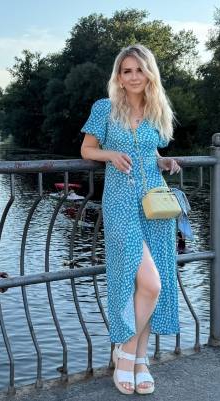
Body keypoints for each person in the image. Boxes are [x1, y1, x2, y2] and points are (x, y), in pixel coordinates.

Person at [80, 44, 182, 395]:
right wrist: (110, 154)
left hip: (154, 203)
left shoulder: (156, 109)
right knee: (150, 283)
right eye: (127, 71)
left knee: (148, 286)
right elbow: (86, 150)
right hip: (120, 202)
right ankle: (124, 354)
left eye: (139, 70)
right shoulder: (105, 108)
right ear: (119, 77)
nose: (134, 76)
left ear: (149, 73)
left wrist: (162, 161)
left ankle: (141, 359)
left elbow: (150, 151)